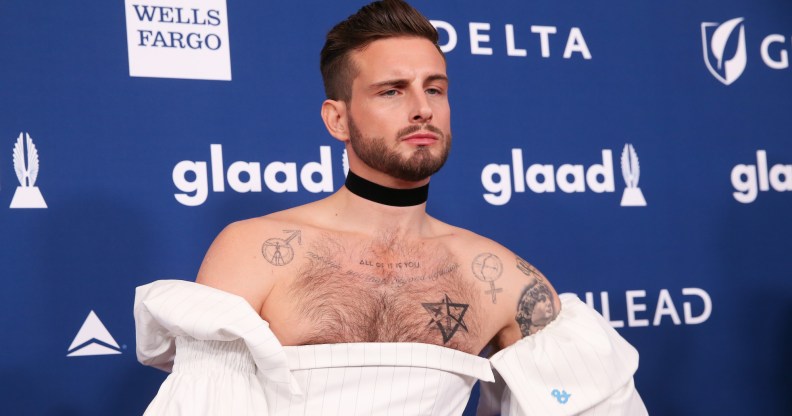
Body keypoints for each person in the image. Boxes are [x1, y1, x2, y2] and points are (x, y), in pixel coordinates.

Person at [134, 1, 647, 415]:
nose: (422, 107)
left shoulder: (501, 278)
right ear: (338, 119)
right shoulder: (256, 251)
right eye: (391, 90)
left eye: (435, 88)